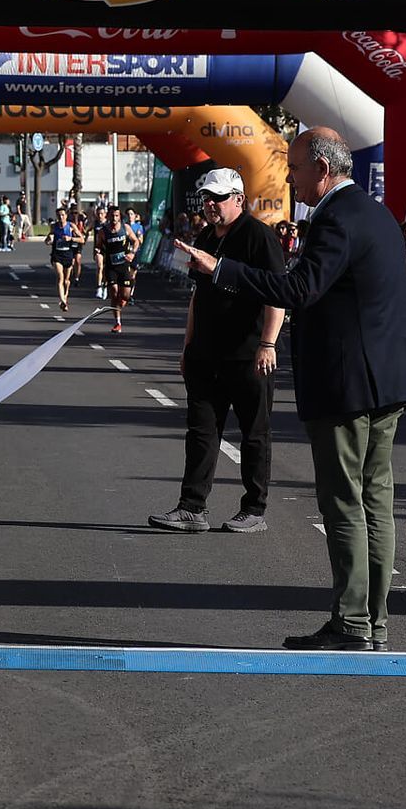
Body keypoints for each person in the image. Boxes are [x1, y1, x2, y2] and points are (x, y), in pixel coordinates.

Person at [175, 128, 406, 652]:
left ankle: (353, 622)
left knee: (343, 504)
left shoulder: (334, 219)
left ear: (321, 165)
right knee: (376, 501)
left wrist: (220, 269)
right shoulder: (375, 212)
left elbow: (298, 290)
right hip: (388, 378)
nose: (289, 177)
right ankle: (373, 621)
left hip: (348, 383)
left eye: (294, 167)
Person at [150, 169, 285, 535]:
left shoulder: (259, 237)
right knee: (201, 432)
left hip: (249, 354)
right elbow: (198, 297)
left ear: (239, 199)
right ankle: (192, 507)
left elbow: (277, 294)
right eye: (207, 197)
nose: (211, 204)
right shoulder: (206, 236)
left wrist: (268, 343)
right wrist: (187, 346)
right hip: (206, 355)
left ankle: (254, 508)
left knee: (254, 433)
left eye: (219, 197)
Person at [94, 205, 137, 332]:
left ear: (120, 217)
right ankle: (117, 322)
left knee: (125, 296)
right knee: (114, 292)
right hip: (111, 267)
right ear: (108, 216)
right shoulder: (103, 231)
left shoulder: (125, 228)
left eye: (116, 215)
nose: (114, 218)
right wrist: (98, 251)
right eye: (112, 215)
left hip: (124, 266)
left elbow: (136, 241)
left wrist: (132, 253)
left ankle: (124, 299)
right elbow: (98, 246)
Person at [48, 206, 82, 311]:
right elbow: (48, 239)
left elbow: (82, 239)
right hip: (57, 255)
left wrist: (70, 238)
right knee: (60, 277)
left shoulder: (71, 226)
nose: (61, 217)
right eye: (59, 215)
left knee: (67, 280)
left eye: (63, 215)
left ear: (66, 216)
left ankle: (65, 296)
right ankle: (62, 300)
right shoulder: (54, 227)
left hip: (68, 255)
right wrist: (49, 240)